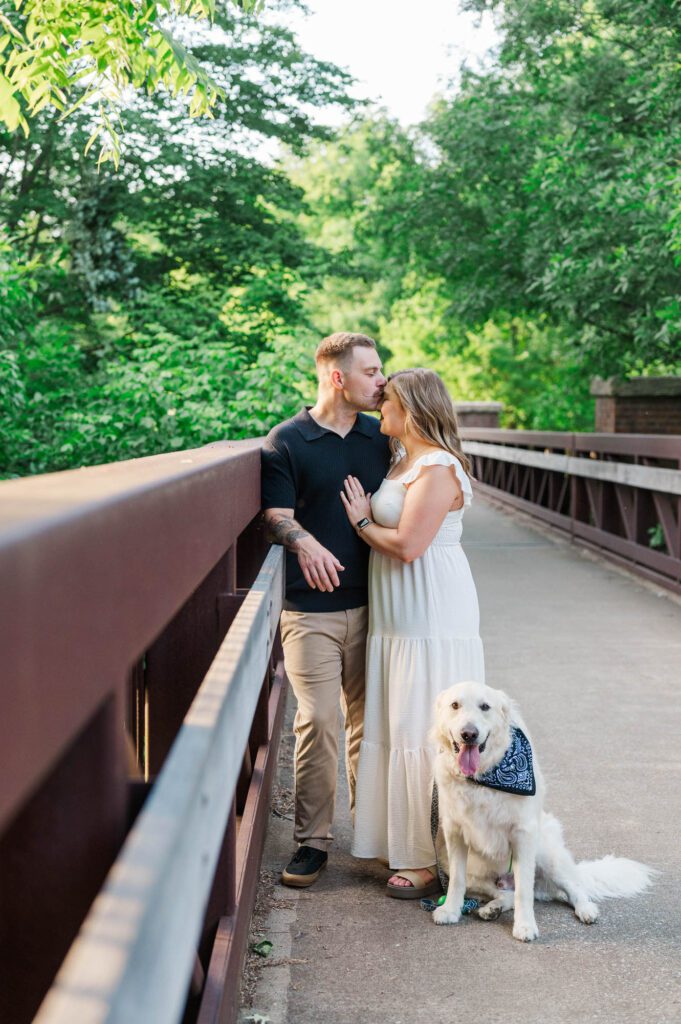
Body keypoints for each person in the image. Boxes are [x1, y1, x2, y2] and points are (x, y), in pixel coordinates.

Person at [339, 367, 485, 898]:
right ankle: (403, 843)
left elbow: (408, 545)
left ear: (414, 411)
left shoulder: (439, 466)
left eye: (390, 403)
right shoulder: (404, 460)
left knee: (424, 724)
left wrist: (359, 523)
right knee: (399, 720)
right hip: (398, 612)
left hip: (431, 610)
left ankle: (430, 859)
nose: (382, 408)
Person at [261, 332, 390, 887]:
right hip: (308, 610)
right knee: (321, 719)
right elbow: (274, 513)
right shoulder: (286, 440)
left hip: (378, 605)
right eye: (371, 371)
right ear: (338, 377)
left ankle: (369, 836)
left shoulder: (382, 436)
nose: (381, 380)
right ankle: (312, 842)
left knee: (370, 725)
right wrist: (302, 540)